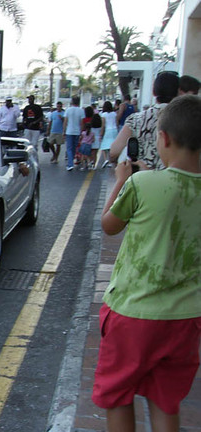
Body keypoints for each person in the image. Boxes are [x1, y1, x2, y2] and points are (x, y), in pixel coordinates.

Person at [93, 94, 201, 432]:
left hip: (133, 313)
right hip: (186, 317)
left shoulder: (142, 183)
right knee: (166, 400)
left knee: (118, 395)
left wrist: (121, 180)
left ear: (164, 139)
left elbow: (109, 225)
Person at [110, 71, 180, 170]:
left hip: (142, 180)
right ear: (178, 92)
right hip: (175, 181)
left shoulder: (136, 119)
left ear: (154, 92)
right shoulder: (185, 119)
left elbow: (114, 151)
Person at [62, 96, 84, 171]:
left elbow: (65, 121)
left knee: (69, 148)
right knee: (74, 148)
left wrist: (64, 131)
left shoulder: (68, 110)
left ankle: (70, 164)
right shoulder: (81, 111)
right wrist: (81, 132)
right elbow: (82, 123)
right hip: (77, 131)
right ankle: (71, 161)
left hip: (69, 131)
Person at [95, 101, 117, 169]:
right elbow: (117, 122)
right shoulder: (114, 114)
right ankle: (111, 160)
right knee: (112, 146)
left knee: (104, 146)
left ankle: (106, 159)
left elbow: (103, 125)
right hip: (115, 130)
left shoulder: (104, 115)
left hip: (108, 130)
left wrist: (101, 134)